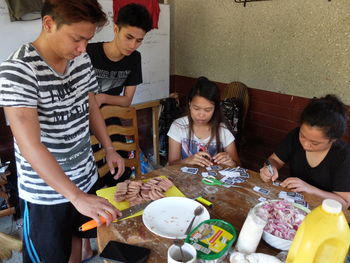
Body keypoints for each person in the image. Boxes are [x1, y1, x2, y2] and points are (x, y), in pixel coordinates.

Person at [0, 1, 125, 262]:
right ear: (48, 24)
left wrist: (109, 147)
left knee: (76, 247)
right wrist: (76, 196)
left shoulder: (80, 59)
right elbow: (29, 145)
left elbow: (89, 103)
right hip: (46, 195)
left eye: (87, 41)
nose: (82, 49)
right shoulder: (18, 71)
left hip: (84, 176)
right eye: (77, 39)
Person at [86, 3, 152, 185]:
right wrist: (94, 101)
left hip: (113, 120)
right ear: (116, 29)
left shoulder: (134, 58)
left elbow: (127, 100)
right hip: (85, 122)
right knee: (93, 176)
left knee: (119, 174)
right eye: (129, 37)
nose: (133, 45)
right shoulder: (89, 52)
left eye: (139, 40)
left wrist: (103, 97)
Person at [260, 94, 350, 209]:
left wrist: (309, 189)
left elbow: (344, 203)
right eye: (302, 136)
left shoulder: (344, 156)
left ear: (333, 139)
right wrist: (270, 168)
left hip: (324, 212)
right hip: (294, 205)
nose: (305, 144)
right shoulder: (294, 136)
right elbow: (273, 160)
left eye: (315, 143)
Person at [167, 76, 240, 167]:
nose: (201, 115)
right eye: (196, 108)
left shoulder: (222, 130)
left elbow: (238, 165)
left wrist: (232, 163)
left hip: (212, 180)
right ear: (189, 104)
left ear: (215, 108)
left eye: (208, 110)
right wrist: (187, 160)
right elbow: (171, 164)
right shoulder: (178, 126)